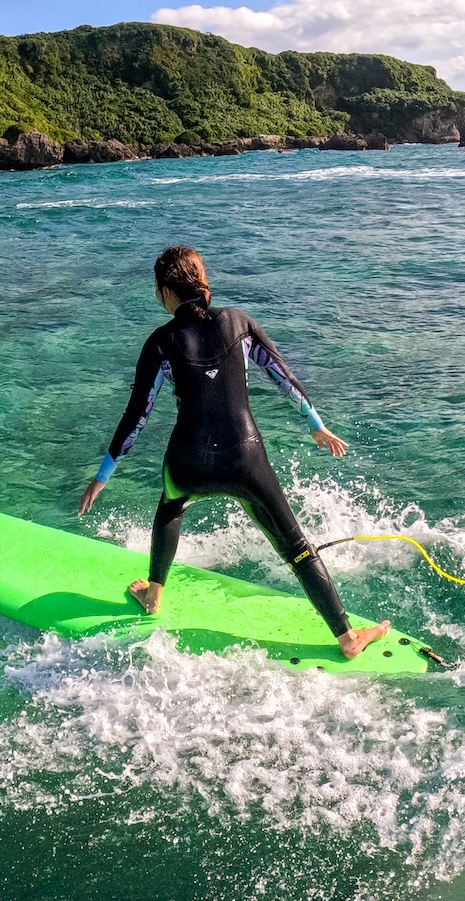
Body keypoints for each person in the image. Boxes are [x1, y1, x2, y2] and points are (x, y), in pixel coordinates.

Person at [78, 246, 392, 659]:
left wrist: (103, 474)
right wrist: (316, 425)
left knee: (171, 507)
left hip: (188, 463)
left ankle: (154, 596)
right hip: (246, 460)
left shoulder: (160, 343)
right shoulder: (238, 322)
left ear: (163, 292)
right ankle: (347, 638)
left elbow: (138, 415)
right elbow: (282, 375)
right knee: (296, 546)